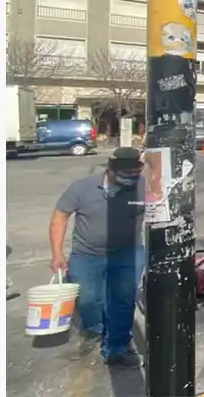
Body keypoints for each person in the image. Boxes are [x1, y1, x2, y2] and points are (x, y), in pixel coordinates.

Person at [49, 147, 146, 368]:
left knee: (122, 300)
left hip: (127, 254)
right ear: (110, 170)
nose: (131, 180)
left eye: (135, 174)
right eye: (125, 175)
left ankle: (117, 347)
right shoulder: (82, 188)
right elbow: (60, 217)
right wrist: (57, 253)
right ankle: (95, 330)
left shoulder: (144, 186)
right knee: (88, 299)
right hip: (86, 256)